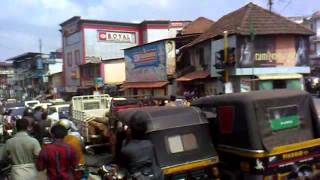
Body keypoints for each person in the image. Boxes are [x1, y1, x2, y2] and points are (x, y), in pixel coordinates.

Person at [120, 112, 163, 180]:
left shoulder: (126, 150)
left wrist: (128, 137)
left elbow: (122, 168)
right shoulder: (149, 144)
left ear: (131, 130)